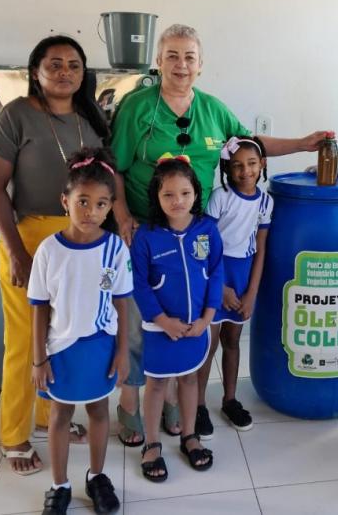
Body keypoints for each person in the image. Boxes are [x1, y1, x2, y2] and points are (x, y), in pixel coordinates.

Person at [110, 23, 327, 445]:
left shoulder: (212, 109)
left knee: (184, 315)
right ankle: (130, 406)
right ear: (159, 61)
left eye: (189, 56)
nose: (181, 64)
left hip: (193, 234)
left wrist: (302, 143)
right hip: (146, 230)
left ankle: (174, 399)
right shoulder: (137, 108)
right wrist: (122, 217)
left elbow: (251, 143)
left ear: (201, 64)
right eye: (172, 55)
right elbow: (115, 167)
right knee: (140, 321)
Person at [0, 35, 108, 475]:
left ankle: (45, 415)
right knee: (24, 341)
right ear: (35, 70)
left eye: (73, 65)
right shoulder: (14, 115)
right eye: (54, 64)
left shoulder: (88, 119)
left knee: (63, 335)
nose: (64, 73)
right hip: (29, 238)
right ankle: (14, 436)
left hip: (81, 240)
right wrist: (16, 252)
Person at [29, 149, 131, 514]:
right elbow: (39, 308)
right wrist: (39, 358)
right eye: (83, 201)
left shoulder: (115, 249)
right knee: (59, 415)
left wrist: (122, 352)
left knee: (99, 410)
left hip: (101, 345)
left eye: (102, 204)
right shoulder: (48, 251)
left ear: (110, 207)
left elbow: (121, 302)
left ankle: (97, 476)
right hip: (61, 349)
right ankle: (60, 485)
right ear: (65, 201)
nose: (92, 211)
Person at [131, 157, 222, 480]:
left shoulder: (207, 229)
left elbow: (215, 272)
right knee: (156, 385)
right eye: (168, 194)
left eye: (184, 193)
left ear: (195, 193)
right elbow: (139, 284)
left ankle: (189, 436)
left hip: (197, 325)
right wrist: (163, 320)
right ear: (156, 196)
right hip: (160, 328)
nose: (177, 201)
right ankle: (152, 444)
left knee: (189, 379)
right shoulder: (146, 236)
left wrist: (207, 318)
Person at [196, 136, 273, 434]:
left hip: (243, 275)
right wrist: (220, 289)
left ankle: (230, 400)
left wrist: (251, 292)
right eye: (237, 165)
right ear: (227, 168)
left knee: (232, 341)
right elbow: (206, 243)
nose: (246, 171)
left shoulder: (267, 201)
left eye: (252, 164)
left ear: (262, 165)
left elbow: (262, 248)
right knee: (209, 344)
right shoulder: (220, 197)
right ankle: (198, 405)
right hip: (216, 272)